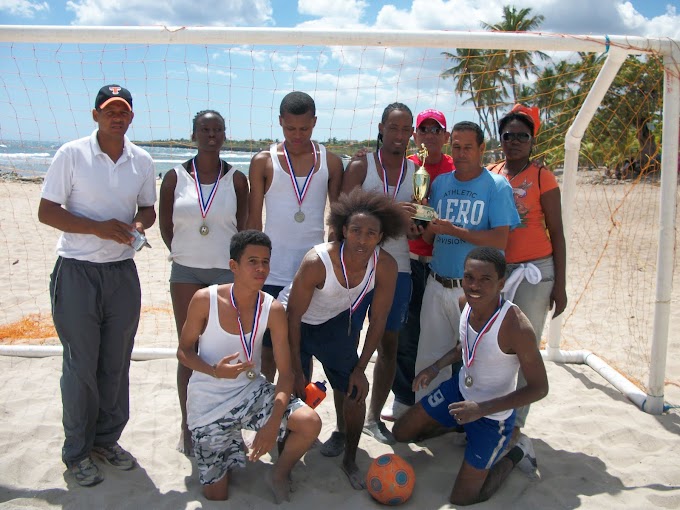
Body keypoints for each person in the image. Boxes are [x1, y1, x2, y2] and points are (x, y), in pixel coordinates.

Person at [38, 84, 157, 486]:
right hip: (77, 271)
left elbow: (147, 208)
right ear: (95, 115)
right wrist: (97, 229)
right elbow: (46, 211)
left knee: (116, 364)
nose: (116, 117)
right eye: (109, 110)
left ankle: (106, 441)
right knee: (80, 365)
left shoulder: (141, 160)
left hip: (122, 274)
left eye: (123, 110)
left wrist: (138, 227)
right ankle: (76, 452)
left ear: (131, 117)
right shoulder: (71, 154)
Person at [393, 247, 549, 506]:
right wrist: (435, 368)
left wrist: (481, 409)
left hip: (492, 416)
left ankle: (517, 452)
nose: (474, 286)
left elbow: (540, 388)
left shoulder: (516, 326)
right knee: (401, 433)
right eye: (469, 278)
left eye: (485, 279)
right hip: (459, 393)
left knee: (463, 498)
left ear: (501, 283)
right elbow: (464, 346)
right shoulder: (464, 303)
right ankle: (460, 426)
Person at [177, 230, 321, 503]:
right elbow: (183, 352)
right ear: (234, 266)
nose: (261, 269)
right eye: (252, 261)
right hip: (208, 404)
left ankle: (278, 473)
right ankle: (226, 441)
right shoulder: (204, 300)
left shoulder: (273, 308)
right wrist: (214, 371)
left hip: (249, 392)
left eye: (265, 261)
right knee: (217, 494)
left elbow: (286, 373)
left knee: (309, 422)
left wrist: (273, 423)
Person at [287, 188, 404, 489]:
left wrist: (360, 369)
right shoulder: (318, 261)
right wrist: (297, 370)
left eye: (370, 233)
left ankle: (350, 459)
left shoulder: (386, 265)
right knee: (294, 392)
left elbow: (377, 320)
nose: (362, 239)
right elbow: (292, 317)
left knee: (355, 392)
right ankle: (284, 460)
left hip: (334, 325)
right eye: (355, 231)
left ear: (381, 236)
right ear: (342, 230)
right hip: (296, 324)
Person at [159, 109, 249, 455]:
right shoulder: (173, 177)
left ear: (224, 134)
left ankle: (228, 425)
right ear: (194, 134)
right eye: (205, 129)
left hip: (226, 276)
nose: (211, 134)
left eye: (217, 129)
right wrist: (185, 253)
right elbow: (167, 227)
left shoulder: (237, 180)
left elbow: (242, 228)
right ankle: (188, 427)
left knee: (226, 352)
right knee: (190, 352)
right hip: (185, 273)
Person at [414, 121, 520, 402]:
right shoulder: (439, 183)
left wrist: (454, 231)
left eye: (468, 148)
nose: (461, 153)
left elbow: (500, 241)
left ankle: (476, 422)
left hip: (475, 291)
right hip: (437, 281)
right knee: (430, 357)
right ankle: (425, 416)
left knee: (479, 359)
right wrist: (424, 226)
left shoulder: (496, 186)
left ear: (482, 149)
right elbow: (429, 236)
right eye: (456, 147)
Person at [247, 91, 343, 382]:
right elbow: (254, 220)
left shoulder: (332, 162)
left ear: (314, 122)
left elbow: (336, 223)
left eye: (304, 128)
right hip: (272, 271)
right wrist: (254, 267)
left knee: (302, 352)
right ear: (280, 122)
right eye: (290, 129)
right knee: (267, 352)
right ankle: (266, 418)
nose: (297, 135)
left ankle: (297, 421)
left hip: (312, 273)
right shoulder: (263, 161)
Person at [488, 104, 567, 443]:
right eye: (509, 136)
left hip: (536, 272)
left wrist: (560, 286)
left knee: (527, 347)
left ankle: (516, 423)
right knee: (493, 344)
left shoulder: (542, 176)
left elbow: (557, 232)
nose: (515, 141)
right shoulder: (491, 172)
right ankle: (490, 413)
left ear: (532, 141)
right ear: (500, 139)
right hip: (498, 272)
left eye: (522, 136)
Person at [341, 102, 416, 445]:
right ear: (381, 127)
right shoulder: (360, 164)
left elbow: (417, 224)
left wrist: (417, 223)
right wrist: (391, 211)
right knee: (349, 342)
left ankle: (374, 417)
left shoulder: (415, 171)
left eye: (406, 129)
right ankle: (345, 423)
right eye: (394, 127)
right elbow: (342, 216)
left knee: (389, 343)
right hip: (358, 266)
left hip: (399, 266)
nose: (400, 135)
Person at [382, 108, 455, 423]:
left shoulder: (456, 168)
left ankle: (445, 398)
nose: (429, 136)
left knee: (447, 336)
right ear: (416, 135)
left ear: (445, 136)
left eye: (435, 130)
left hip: (443, 265)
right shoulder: (409, 166)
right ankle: (403, 397)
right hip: (410, 259)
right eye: (423, 130)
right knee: (406, 333)